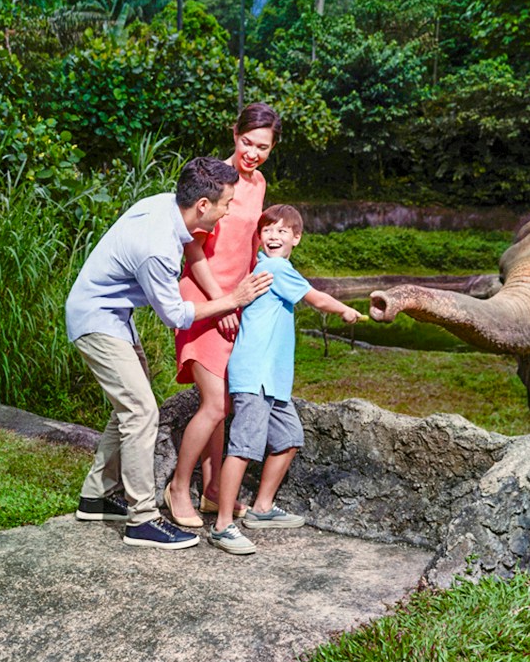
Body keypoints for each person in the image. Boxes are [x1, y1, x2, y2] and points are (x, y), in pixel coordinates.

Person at [65, 157, 273, 550]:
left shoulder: (166, 203)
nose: (229, 211)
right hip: (96, 320)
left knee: (129, 404)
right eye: (227, 204)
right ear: (202, 206)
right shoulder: (157, 247)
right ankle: (142, 518)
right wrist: (233, 300)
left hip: (112, 315)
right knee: (141, 411)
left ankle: (95, 496)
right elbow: (175, 315)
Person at [206, 205, 363, 555]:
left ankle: (262, 508)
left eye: (282, 231)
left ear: (297, 237)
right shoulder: (275, 268)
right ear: (260, 237)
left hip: (273, 380)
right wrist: (345, 310)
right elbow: (316, 298)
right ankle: (222, 525)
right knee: (244, 447)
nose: (274, 236)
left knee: (290, 437)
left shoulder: (278, 268)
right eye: (268, 230)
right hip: (254, 375)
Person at [166, 103, 282, 529]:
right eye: (247, 142)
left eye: (262, 147)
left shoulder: (260, 183)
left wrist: (251, 298)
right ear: (234, 134)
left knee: (227, 402)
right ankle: (180, 487)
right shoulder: (214, 178)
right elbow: (192, 247)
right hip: (204, 295)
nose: (252, 153)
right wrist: (224, 301)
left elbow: (251, 246)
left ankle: (215, 492)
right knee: (215, 404)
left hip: (238, 300)